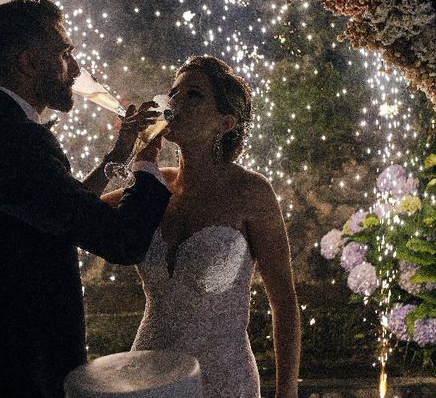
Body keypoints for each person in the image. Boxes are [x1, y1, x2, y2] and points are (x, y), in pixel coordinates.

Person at [0, 0, 171, 398]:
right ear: (27, 62)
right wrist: (149, 162)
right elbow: (120, 240)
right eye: (64, 54)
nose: (77, 70)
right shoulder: (10, 139)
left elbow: (57, 209)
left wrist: (121, 151)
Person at [102, 56, 301, 398]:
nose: (175, 102)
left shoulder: (252, 192)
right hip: (149, 373)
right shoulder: (151, 187)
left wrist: (286, 393)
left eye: (192, 95)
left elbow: (283, 302)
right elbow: (73, 215)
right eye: (173, 92)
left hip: (223, 376)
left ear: (225, 122)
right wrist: (125, 151)